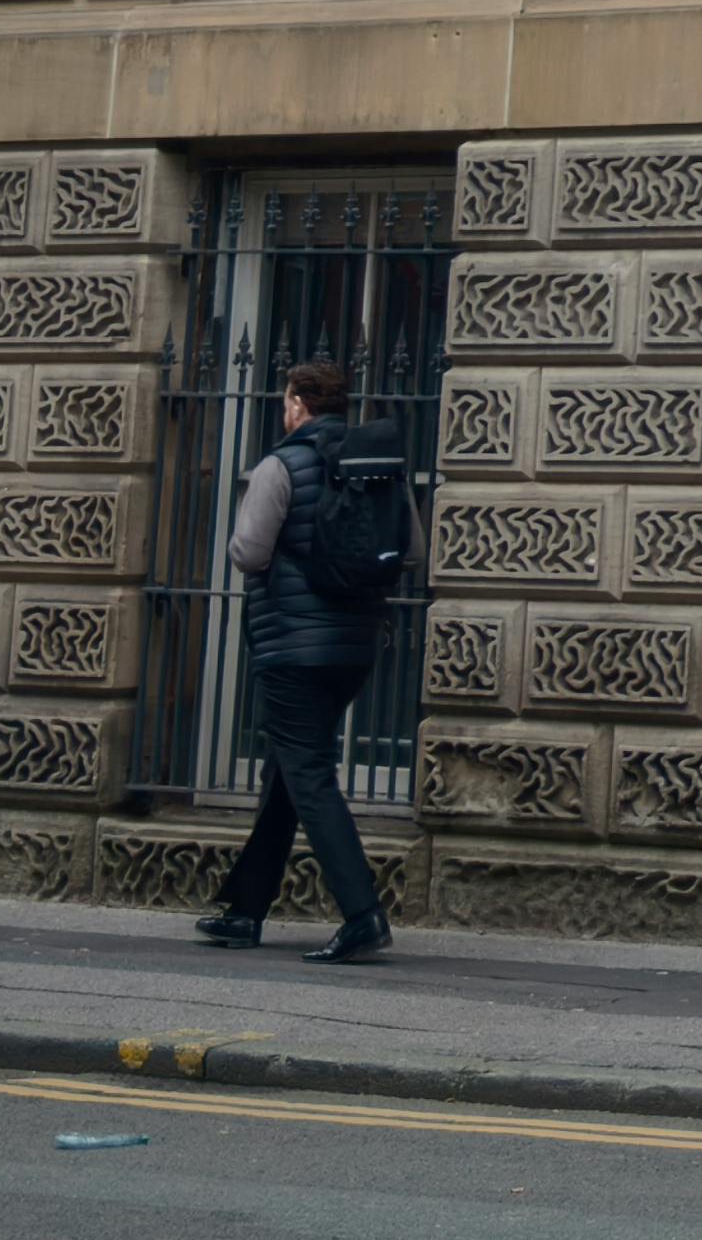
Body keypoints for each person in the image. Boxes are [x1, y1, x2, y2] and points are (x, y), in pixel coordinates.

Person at [192, 353, 401, 963]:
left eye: (285, 400)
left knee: (307, 775)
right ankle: (245, 910)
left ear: (296, 405)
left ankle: (362, 914)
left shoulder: (280, 465)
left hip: (291, 649)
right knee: (286, 770)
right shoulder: (372, 464)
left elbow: (248, 553)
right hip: (355, 647)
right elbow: (408, 546)